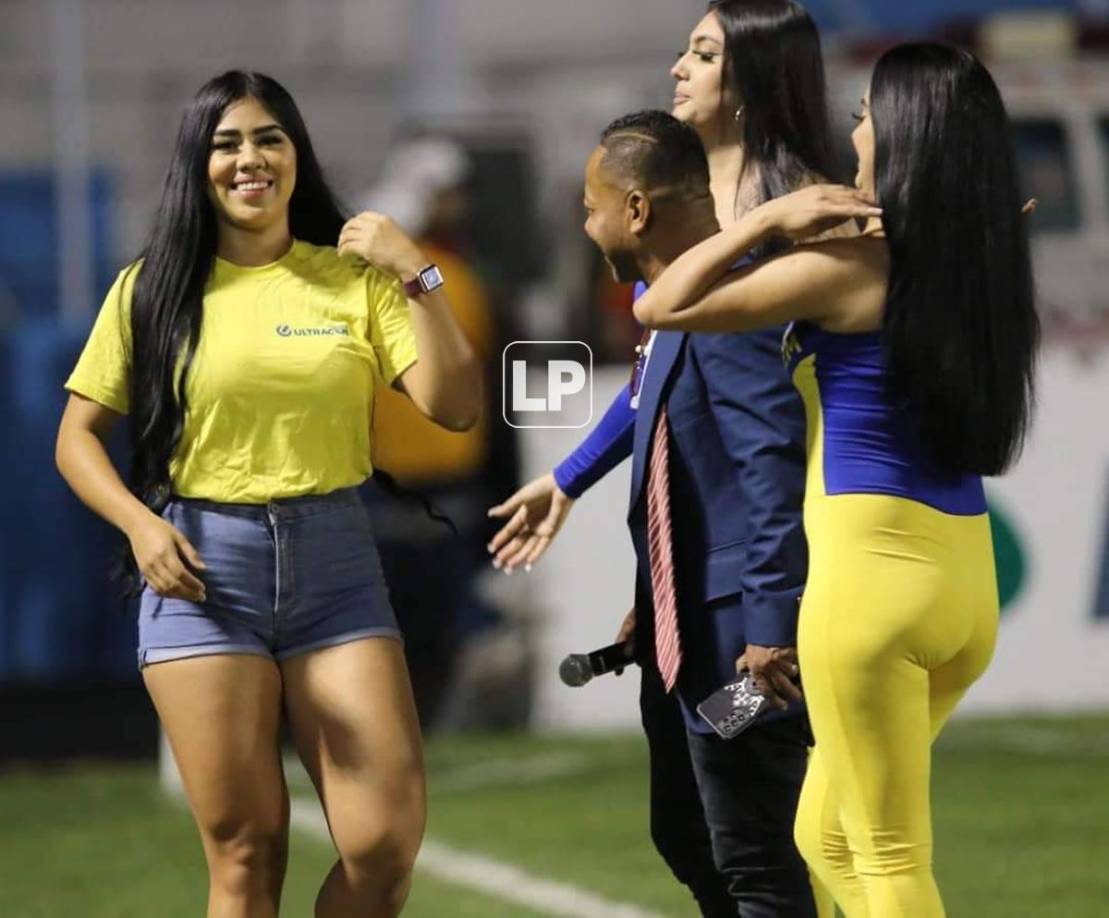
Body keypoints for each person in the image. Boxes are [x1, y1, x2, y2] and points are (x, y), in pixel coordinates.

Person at [54, 71, 481, 918]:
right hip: (202, 575)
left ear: (296, 156)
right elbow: (75, 437)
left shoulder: (354, 281)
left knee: (384, 845)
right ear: (199, 165)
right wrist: (141, 529)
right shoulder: (153, 289)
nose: (249, 159)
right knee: (247, 855)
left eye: (268, 139)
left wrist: (416, 274)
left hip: (337, 568)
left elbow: (458, 406)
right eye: (227, 143)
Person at [633, 43, 1038, 917]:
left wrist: (764, 225)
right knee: (824, 834)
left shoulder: (850, 267)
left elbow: (658, 306)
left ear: (899, 136)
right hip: (962, 588)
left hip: (867, 588)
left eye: (863, 116)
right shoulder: (979, 262)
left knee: (887, 853)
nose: (851, 130)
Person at [490, 2, 837, 914]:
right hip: (700, 600)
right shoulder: (688, 232)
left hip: (753, 613)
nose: (679, 66)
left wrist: (769, 614)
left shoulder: (775, 224)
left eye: (705, 51)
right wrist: (569, 480)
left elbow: (767, 447)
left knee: (769, 835)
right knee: (697, 828)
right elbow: (655, 382)